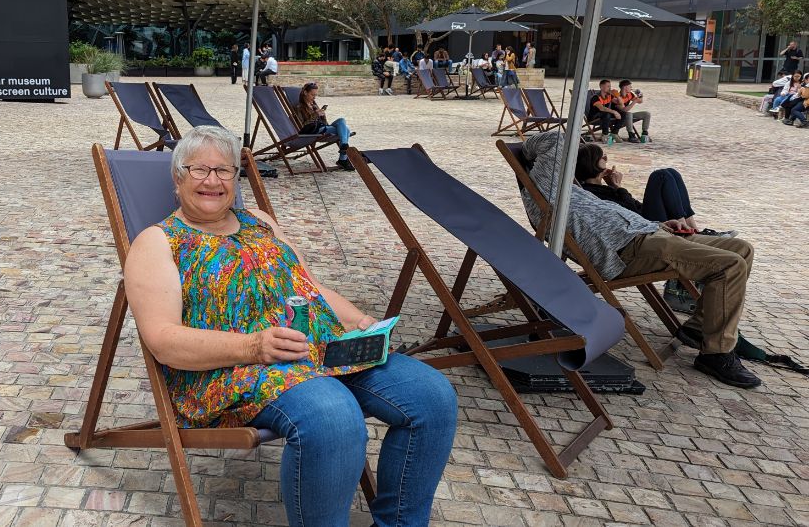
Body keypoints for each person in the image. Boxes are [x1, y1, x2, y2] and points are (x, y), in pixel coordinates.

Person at [123, 126, 457, 526]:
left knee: (433, 396)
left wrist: (360, 323)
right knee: (333, 416)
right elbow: (164, 341)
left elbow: (308, 287)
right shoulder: (158, 242)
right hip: (233, 372)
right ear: (177, 179)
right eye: (198, 170)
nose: (212, 180)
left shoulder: (259, 221)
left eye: (224, 170)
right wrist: (253, 347)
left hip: (318, 352)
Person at [521, 130, 760, 388]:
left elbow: (614, 211)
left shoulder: (572, 189)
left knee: (741, 249)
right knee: (729, 265)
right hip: (629, 250)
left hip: (651, 233)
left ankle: (700, 327)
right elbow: (558, 139)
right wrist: (531, 150)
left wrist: (657, 223)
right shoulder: (545, 188)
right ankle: (717, 353)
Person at [575, 143, 736, 236]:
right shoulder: (591, 193)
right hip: (643, 227)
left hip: (643, 219)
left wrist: (614, 187)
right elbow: (628, 212)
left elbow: (634, 206)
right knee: (660, 177)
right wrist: (617, 187)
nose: (606, 160)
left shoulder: (598, 188)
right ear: (591, 164)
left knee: (671, 173)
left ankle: (694, 228)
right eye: (602, 158)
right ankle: (688, 234)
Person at [295, 82, 355, 170]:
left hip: (323, 127)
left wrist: (322, 115)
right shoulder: (299, 107)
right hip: (314, 130)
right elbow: (303, 126)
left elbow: (325, 123)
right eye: (312, 95)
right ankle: (343, 158)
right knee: (346, 130)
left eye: (315, 95)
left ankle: (343, 146)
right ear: (305, 93)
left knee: (342, 120)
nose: (314, 97)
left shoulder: (314, 106)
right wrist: (316, 114)